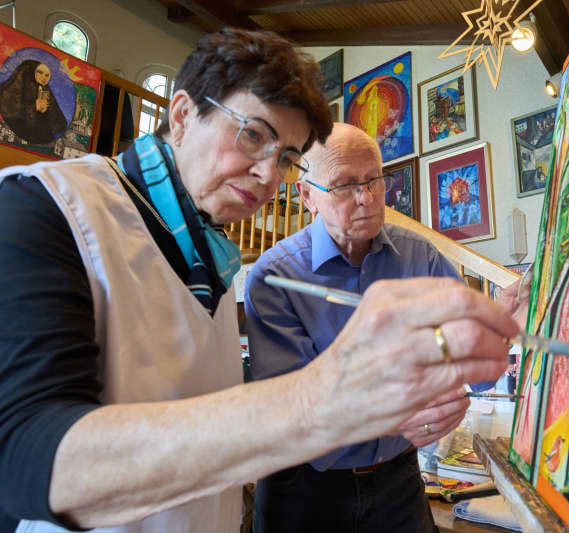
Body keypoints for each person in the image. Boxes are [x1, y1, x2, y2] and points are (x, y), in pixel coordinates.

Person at [0, 29, 519, 533]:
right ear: (181, 115)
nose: (270, 176)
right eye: (253, 134)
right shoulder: (42, 205)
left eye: (287, 158)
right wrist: (325, 397)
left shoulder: (213, 260)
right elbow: (25, 457)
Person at [244, 123, 527, 533]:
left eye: (374, 179)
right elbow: (296, 410)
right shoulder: (274, 276)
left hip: (399, 483)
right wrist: (404, 408)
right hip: (303, 491)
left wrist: (501, 329)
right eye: (344, 185)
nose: (367, 198)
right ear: (307, 196)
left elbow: (475, 370)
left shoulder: (420, 257)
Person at [0, 59, 68, 144]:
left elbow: (60, 124)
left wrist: (47, 111)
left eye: (47, 75)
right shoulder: (11, 89)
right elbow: (8, 110)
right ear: (30, 72)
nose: (43, 77)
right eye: (40, 72)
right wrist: (34, 106)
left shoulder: (45, 91)